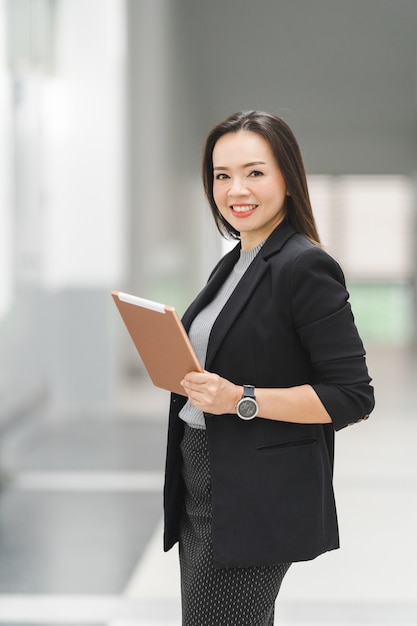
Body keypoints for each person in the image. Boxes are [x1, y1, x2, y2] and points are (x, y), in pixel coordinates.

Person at [163, 111, 375, 625]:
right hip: (203, 476)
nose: (236, 188)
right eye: (222, 175)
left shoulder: (305, 266)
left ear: (287, 177)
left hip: (254, 494)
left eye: (255, 172)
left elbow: (351, 395)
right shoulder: (236, 259)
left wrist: (240, 399)